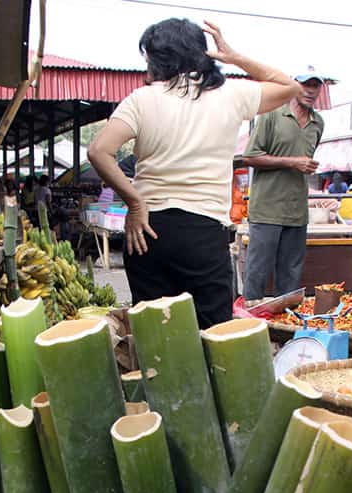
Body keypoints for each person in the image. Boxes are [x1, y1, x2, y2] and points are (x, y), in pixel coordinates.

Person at [88, 18, 300, 327]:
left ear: (161, 58)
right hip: (203, 232)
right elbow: (289, 86)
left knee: (155, 336)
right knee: (214, 335)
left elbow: (98, 151)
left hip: (148, 230)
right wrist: (233, 56)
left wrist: (135, 203)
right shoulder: (230, 95)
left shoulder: (142, 99)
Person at [239, 70, 326, 301]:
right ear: (293, 85)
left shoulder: (318, 123)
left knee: (290, 277)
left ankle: (285, 329)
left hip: (297, 211)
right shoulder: (271, 115)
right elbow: (249, 157)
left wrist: (303, 165)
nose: (310, 91)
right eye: (305, 84)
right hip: (267, 209)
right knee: (257, 273)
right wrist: (292, 162)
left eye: (315, 86)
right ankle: (249, 325)